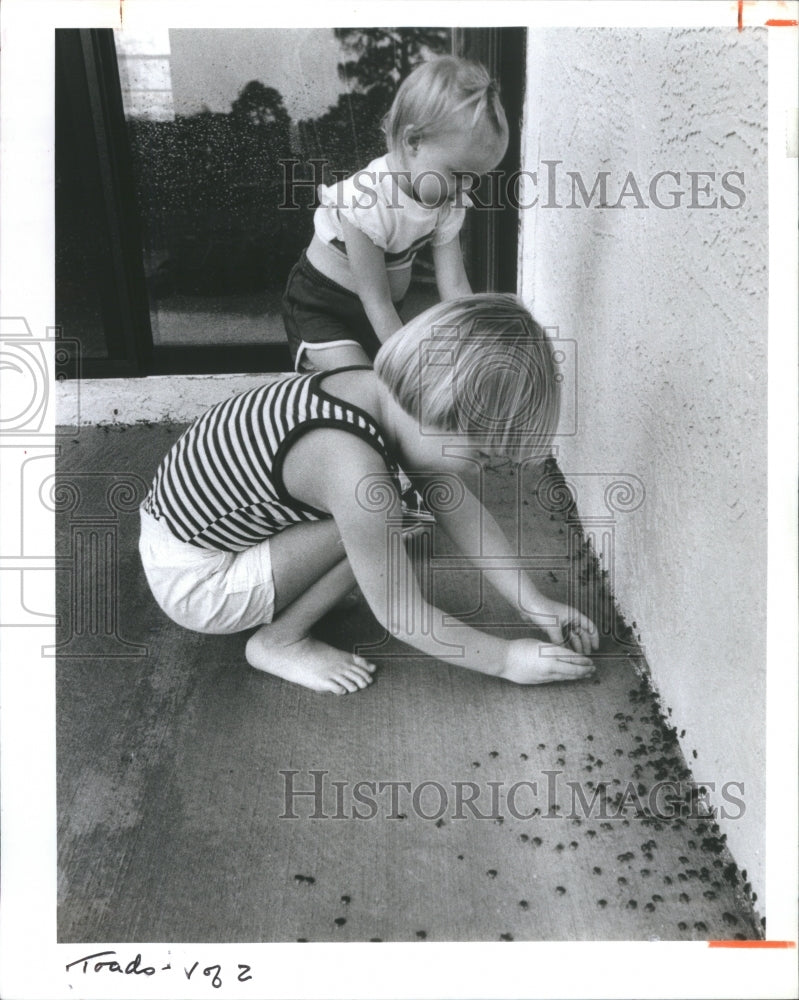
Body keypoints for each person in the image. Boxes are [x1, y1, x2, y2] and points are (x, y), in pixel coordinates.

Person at [139, 294, 598, 695]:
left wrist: (531, 602)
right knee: (387, 517)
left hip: (181, 531)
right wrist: (506, 660)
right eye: (480, 454)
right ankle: (279, 641)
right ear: (442, 410)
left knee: (390, 517)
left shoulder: (374, 392)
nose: (481, 471)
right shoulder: (352, 469)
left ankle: (299, 589)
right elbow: (400, 615)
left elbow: (454, 504)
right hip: (199, 585)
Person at [282, 56, 510, 374]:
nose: (466, 187)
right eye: (458, 173)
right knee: (366, 389)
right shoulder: (366, 201)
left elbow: (455, 285)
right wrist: (411, 368)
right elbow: (375, 299)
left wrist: (477, 343)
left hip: (381, 312)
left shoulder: (447, 199)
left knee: (403, 390)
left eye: (475, 177)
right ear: (413, 141)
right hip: (323, 309)